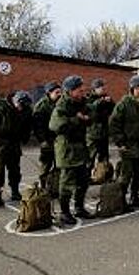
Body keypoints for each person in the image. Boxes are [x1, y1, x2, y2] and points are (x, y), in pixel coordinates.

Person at [49, 76, 94, 224]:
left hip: (81, 148)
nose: (83, 92)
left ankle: (79, 208)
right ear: (70, 91)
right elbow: (55, 126)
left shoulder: (82, 103)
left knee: (83, 181)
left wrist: (88, 118)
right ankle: (64, 212)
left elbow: (92, 114)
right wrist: (77, 119)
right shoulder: (62, 105)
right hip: (67, 150)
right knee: (67, 183)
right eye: (79, 90)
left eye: (83, 90)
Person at [0, 90, 33, 201]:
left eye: (24, 106)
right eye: (20, 106)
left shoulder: (26, 110)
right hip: (0, 143)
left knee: (15, 170)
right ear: (16, 101)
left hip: (14, 144)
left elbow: (28, 125)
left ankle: (15, 191)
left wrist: (24, 138)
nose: (21, 109)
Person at [109, 75, 139, 208]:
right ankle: (121, 201)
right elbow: (114, 124)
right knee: (125, 176)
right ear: (135, 88)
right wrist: (120, 142)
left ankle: (134, 197)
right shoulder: (124, 104)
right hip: (128, 146)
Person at [33, 81, 61, 191]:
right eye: (57, 92)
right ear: (49, 93)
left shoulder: (60, 103)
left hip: (58, 140)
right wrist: (42, 140)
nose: (60, 94)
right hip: (47, 140)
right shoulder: (41, 106)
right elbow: (37, 126)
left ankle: (55, 187)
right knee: (46, 165)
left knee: (59, 165)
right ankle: (43, 186)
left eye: (60, 92)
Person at [86, 78, 115, 175]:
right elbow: (91, 111)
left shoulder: (106, 98)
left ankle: (102, 175)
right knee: (90, 157)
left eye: (103, 87)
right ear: (94, 89)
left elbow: (113, 110)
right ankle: (86, 177)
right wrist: (100, 102)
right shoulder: (89, 99)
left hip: (104, 133)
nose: (103, 89)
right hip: (92, 134)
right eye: (100, 87)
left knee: (104, 157)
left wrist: (110, 102)